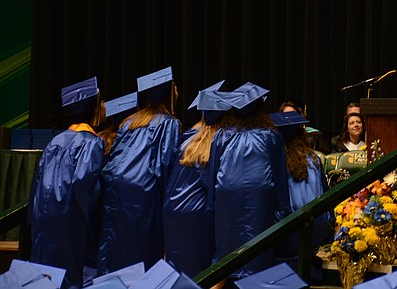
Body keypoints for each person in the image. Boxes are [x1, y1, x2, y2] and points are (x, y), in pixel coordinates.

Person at [98, 67, 181, 275]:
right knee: (141, 253)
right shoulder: (169, 124)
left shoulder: (129, 122)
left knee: (116, 248)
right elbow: (166, 164)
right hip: (144, 193)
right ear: (170, 94)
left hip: (116, 189)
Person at [212, 82, 292, 285]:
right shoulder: (271, 136)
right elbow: (280, 176)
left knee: (225, 259)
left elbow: (212, 174)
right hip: (260, 200)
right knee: (257, 257)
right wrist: (284, 209)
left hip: (226, 199)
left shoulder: (222, 135)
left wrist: (211, 205)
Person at [29, 77, 106, 288]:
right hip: (72, 217)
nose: (104, 107)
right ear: (95, 109)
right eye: (102, 103)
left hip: (46, 216)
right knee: (73, 271)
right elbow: (85, 185)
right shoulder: (92, 143)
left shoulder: (55, 141)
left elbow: (38, 183)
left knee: (49, 272)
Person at [163, 89, 233, 277]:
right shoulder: (222, 142)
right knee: (199, 272)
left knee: (177, 270)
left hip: (173, 211)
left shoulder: (188, 140)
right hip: (197, 215)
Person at [271, 110, 334, 283]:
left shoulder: (274, 160)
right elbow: (327, 198)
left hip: (284, 233)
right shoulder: (314, 159)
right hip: (315, 230)